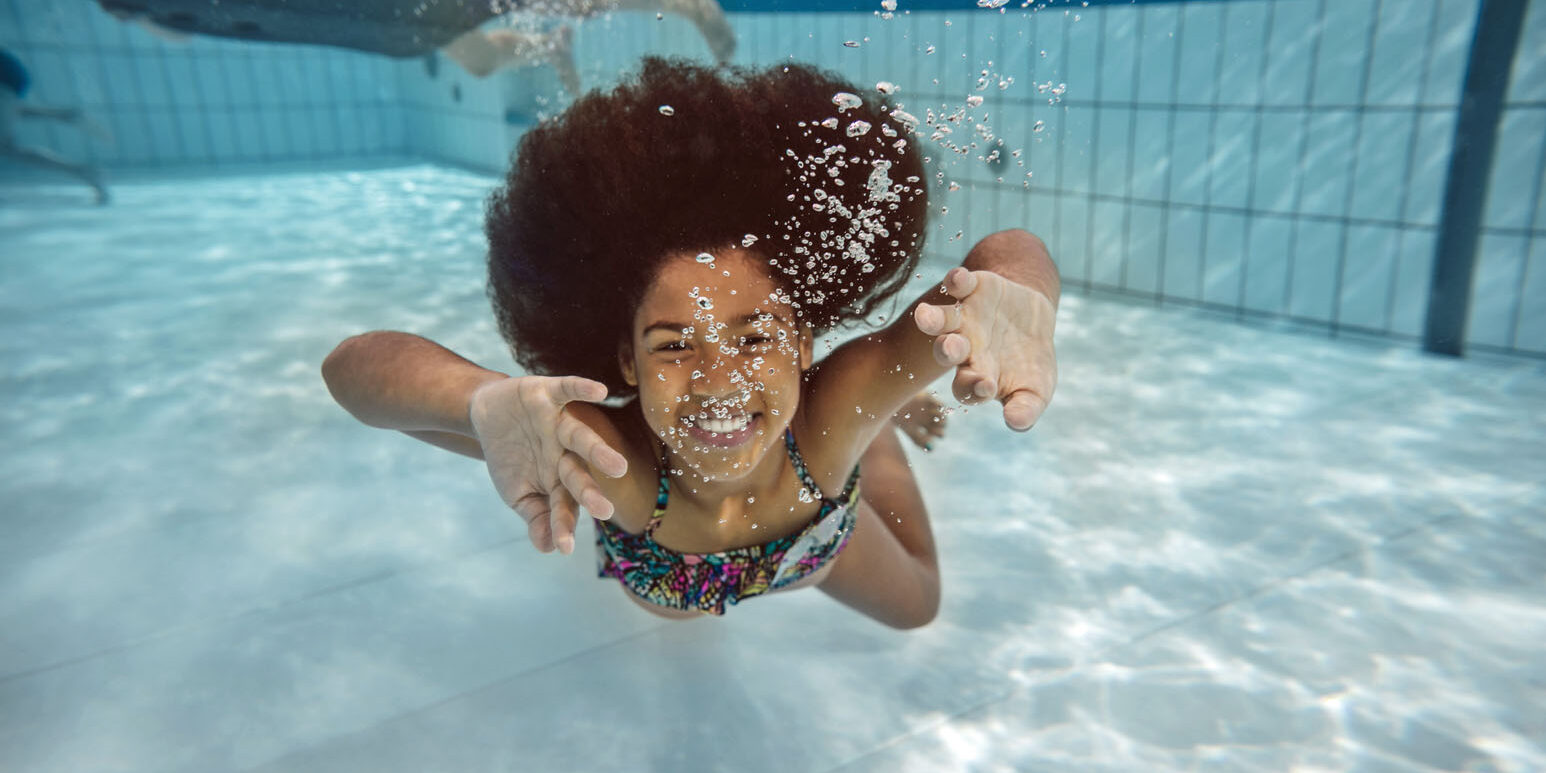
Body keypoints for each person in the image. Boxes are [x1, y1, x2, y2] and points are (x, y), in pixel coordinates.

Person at [322, 58, 1059, 629]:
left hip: (815, 533)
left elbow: (1006, 253)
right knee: (681, 623)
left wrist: (1027, 295)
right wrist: (475, 399)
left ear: (803, 341)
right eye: (674, 346)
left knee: (920, 601)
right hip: (674, 579)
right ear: (624, 361)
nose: (719, 380)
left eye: (755, 336)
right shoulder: (607, 454)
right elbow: (349, 369)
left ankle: (882, 430)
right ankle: (882, 418)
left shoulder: (829, 411)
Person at [96, 0, 735, 93]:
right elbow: (173, 33)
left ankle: (688, 3)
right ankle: (546, 48)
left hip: (391, 10)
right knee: (481, 60)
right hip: (389, 32)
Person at [0, 49, 111, 204]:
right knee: (7, 145)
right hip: (9, 81)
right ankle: (64, 115)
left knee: (6, 146)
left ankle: (85, 171)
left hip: (6, 82)